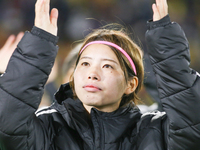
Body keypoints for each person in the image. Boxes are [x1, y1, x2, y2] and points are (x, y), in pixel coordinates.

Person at [0, 0, 200, 150]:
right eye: (85, 63)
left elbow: (190, 125)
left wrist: (168, 50)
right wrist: (37, 49)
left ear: (131, 84)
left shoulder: (155, 130)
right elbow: (8, 124)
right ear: (73, 77)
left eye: (107, 66)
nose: (92, 74)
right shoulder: (47, 127)